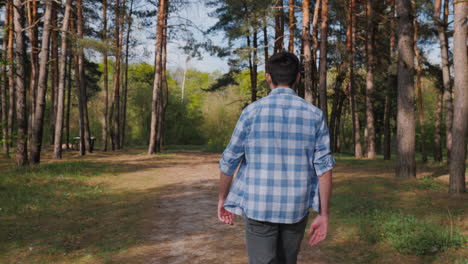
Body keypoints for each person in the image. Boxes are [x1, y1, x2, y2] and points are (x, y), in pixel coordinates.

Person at [217, 51, 335, 264]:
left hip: (259, 206)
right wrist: (324, 214)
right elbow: (324, 169)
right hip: (296, 208)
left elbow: (229, 161)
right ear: (298, 77)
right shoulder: (315, 115)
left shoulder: (251, 112)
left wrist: (222, 199)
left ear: (268, 77)